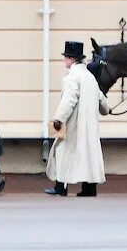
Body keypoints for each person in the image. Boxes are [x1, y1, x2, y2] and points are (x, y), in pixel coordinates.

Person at [45, 41, 110, 197]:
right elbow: (102, 102)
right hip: (90, 127)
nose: (64, 60)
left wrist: (58, 119)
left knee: (62, 152)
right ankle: (89, 189)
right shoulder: (90, 77)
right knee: (89, 155)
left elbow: (69, 100)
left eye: (66, 57)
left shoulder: (72, 78)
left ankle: (61, 186)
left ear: (71, 59)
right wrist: (107, 110)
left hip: (74, 125)